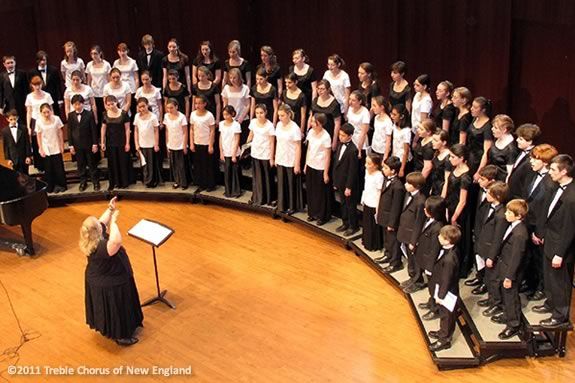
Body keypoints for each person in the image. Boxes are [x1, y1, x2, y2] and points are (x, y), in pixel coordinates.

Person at [81, 197, 144, 346]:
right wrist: (114, 221)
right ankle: (121, 335)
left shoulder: (91, 237)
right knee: (116, 309)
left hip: (104, 277)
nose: (101, 223)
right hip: (110, 282)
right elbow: (116, 241)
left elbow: (101, 222)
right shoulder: (103, 247)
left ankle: (115, 328)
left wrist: (110, 209)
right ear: (97, 231)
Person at [533, 154, 575, 328]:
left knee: (560, 282)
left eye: (552, 169)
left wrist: (560, 253)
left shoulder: (572, 197)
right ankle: (551, 303)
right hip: (550, 239)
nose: (549, 172)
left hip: (560, 246)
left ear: (564, 171)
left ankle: (560, 315)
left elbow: (569, 229)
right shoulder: (556, 187)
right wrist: (540, 233)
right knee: (549, 277)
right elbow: (548, 213)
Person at [490, 199, 529, 340]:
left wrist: (509, 277)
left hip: (511, 271)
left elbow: (516, 257)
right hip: (504, 265)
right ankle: (507, 315)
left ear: (518, 216)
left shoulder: (520, 234)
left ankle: (514, 324)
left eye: (509, 212)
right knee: (506, 295)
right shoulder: (513, 226)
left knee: (511, 296)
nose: (505, 214)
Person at [523, 144, 558, 301]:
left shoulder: (550, 183)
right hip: (529, 222)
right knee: (529, 257)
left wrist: (539, 232)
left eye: (534, 158)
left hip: (539, 227)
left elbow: (546, 211)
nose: (531, 161)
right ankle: (531, 283)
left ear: (545, 161)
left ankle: (541, 288)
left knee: (539, 260)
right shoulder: (533, 174)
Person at [465, 165, 499, 291]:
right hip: (478, 227)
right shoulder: (481, 190)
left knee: (486, 257)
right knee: (478, 254)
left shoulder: (495, 196)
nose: (479, 181)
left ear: (492, 181)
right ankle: (479, 276)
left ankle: (485, 282)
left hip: (487, 233)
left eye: (483, 179)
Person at [428, 224, 461, 352]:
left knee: (447, 315)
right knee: (444, 314)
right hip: (444, 287)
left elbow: (446, 279)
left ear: (448, 241)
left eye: (441, 236)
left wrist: (440, 296)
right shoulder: (450, 250)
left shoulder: (449, 259)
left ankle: (444, 340)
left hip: (447, 292)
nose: (438, 237)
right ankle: (442, 332)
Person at [478, 182, 510, 316]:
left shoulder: (501, 215)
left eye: (489, 193)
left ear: (497, 196)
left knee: (494, 279)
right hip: (485, 247)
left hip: (493, 252)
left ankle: (497, 303)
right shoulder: (489, 207)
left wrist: (491, 256)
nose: (486, 194)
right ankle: (491, 299)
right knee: (488, 277)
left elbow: (498, 238)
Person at [415, 196, 446, 320]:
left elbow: (435, 249)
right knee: (431, 286)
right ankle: (431, 302)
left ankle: (435, 309)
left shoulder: (438, 227)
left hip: (432, 263)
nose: (424, 210)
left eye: (426, 209)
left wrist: (429, 267)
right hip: (425, 258)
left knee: (434, 286)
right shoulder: (430, 221)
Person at [443, 144, 472, 277]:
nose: (450, 159)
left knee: (458, 239)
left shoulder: (465, 177)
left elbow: (463, 201)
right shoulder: (455, 169)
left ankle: (460, 267)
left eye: (453, 157)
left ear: (461, 158)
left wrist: (454, 217)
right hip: (450, 205)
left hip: (459, 212)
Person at [397, 172, 427, 293]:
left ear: (416, 185)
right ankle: (412, 276)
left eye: (409, 183)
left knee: (415, 259)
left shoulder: (420, 201)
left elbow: (419, 223)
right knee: (410, 258)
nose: (406, 185)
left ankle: (418, 281)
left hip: (412, 236)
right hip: (405, 231)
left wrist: (414, 241)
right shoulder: (408, 194)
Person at [375, 156, 405, 273]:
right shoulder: (386, 179)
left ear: (393, 170)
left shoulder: (398, 186)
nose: (383, 169)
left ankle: (395, 262)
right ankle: (388, 255)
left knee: (393, 241)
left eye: (386, 168)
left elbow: (396, 207)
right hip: (384, 215)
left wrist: (392, 223)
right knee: (387, 239)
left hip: (391, 219)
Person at [68, 95, 100, 191]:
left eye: (79, 104)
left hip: (89, 144)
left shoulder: (89, 114)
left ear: (83, 103)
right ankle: (83, 182)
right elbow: (69, 131)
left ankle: (95, 182)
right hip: (77, 145)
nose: (77, 106)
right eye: (75, 104)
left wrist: (95, 144)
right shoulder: (70, 115)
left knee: (92, 164)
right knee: (80, 165)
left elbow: (93, 130)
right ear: (73, 105)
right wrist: (71, 145)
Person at [332, 123, 359, 236]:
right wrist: (335, 181)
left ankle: (353, 226)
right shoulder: (340, 145)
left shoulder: (353, 150)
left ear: (350, 136)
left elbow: (353, 171)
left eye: (343, 135)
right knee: (343, 203)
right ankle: (345, 222)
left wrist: (349, 187)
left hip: (348, 184)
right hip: (340, 181)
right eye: (340, 134)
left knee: (350, 205)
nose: (340, 137)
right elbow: (336, 164)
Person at [305, 113, 332, 225]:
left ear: (319, 123)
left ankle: (322, 216)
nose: (311, 124)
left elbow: (327, 156)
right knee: (311, 190)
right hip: (311, 164)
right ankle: (312, 213)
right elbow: (309, 149)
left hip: (320, 167)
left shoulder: (326, 136)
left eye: (313, 122)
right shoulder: (311, 132)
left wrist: (325, 173)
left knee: (320, 193)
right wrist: (306, 164)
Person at [275, 104, 303, 214]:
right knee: (281, 183)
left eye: (282, 115)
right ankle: (282, 205)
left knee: (291, 184)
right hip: (281, 157)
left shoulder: (295, 128)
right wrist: (276, 157)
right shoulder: (278, 125)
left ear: (289, 114)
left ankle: (292, 207)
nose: (280, 118)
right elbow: (278, 142)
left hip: (291, 159)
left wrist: (297, 164)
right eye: (279, 116)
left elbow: (298, 147)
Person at [101, 95, 131, 190]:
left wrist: (127, 143)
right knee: (112, 163)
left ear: (116, 102)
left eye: (112, 104)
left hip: (121, 142)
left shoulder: (123, 114)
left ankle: (123, 182)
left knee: (122, 162)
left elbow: (127, 129)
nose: (111, 106)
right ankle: (114, 182)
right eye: (108, 105)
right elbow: (103, 129)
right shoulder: (105, 114)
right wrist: (102, 142)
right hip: (110, 143)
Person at [247, 104, 275, 206]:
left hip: (266, 154)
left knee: (266, 177)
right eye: (257, 113)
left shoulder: (270, 125)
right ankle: (256, 197)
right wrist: (245, 148)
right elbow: (251, 135)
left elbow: (272, 142)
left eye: (261, 113)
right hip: (255, 153)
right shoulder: (253, 122)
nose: (259, 115)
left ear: (266, 113)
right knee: (257, 177)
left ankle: (267, 199)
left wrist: (271, 158)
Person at [25, 75, 54, 171]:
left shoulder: (47, 95)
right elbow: (29, 112)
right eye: (35, 85)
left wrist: (52, 121)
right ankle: (40, 165)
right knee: (37, 143)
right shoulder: (29, 97)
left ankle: (49, 163)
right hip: (35, 121)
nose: (37, 87)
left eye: (39, 84)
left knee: (48, 140)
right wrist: (29, 126)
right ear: (31, 85)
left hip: (46, 120)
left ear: (42, 84)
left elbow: (51, 110)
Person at [35, 103, 66, 193]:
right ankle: (51, 186)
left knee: (58, 167)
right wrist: (40, 148)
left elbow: (60, 132)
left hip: (56, 145)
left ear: (51, 111)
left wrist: (61, 145)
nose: (46, 114)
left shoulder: (56, 119)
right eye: (44, 112)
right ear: (41, 113)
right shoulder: (38, 122)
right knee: (48, 168)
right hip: (46, 147)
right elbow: (39, 135)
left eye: (48, 112)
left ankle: (61, 185)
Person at [189, 95, 216, 192]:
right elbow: (191, 129)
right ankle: (201, 184)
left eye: (200, 103)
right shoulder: (193, 114)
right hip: (197, 143)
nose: (197, 105)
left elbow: (212, 131)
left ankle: (210, 184)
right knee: (198, 165)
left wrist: (211, 145)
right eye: (196, 103)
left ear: (204, 104)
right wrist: (191, 143)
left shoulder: (209, 115)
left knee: (207, 165)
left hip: (206, 143)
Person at [134, 97, 162, 188]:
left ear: (147, 105)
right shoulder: (137, 116)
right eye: (140, 107)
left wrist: (156, 144)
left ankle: (152, 181)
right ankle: (146, 180)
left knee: (151, 164)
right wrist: (136, 144)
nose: (142, 109)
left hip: (151, 144)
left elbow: (156, 131)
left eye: (143, 106)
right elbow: (136, 131)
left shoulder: (153, 116)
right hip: (142, 144)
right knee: (144, 163)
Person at [507, 123, 541, 199]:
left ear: (530, 142)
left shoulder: (532, 159)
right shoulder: (521, 151)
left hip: (518, 197)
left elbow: (527, 183)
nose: (517, 140)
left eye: (521, 139)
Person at [309, 79, 341, 150]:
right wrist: (308, 130)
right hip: (315, 132)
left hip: (328, 133)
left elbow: (337, 123)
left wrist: (334, 141)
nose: (320, 91)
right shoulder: (315, 100)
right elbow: (311, 116)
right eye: (318, 89)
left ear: (328, 89)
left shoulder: (335, 104)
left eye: (322, 89)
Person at [361, 153, 384, 251]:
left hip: (374, 203)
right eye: (366, 163)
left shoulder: (379, 176)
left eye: (369, 164)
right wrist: (363, 198)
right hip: (367, 199)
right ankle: (366, 241)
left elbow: (379, 192)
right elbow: (366, 186)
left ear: (376, 165)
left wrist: (378, 208)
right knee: (366, 223)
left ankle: (374, 244)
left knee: (373, 225)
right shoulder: (367, 171)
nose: (366, 165)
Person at [164, 98, 188, 190]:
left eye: (171, 108)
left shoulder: (182, 117)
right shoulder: (166, 116)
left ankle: (184, 182)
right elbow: (167, 131)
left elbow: (185, 132)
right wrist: (167, 143)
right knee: (173, 164)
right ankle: (176, 181)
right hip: (171, 143)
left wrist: (184, 145)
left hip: (180, 144)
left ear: (176, 107)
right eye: (168, 108)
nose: (169, 110)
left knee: (181, 165)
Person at [86, 45, 112, 131]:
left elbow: (109, 80)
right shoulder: (89, 65)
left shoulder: (106, 64)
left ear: (100, 53)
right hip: (94, 93)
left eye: (95, 53)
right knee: (96, 114)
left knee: (105, 114)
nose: (94, 56)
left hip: (104, 93)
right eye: (92, 54)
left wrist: (109, 93)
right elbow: (88, 80)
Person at [30, 51, 63, 117]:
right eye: (40, 60)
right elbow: (31, 87)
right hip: (39, 98)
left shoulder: (54, 70)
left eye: (44, 60)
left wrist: (60, 99)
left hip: (53, 98)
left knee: (55, 116)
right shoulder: (32, 72)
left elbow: (58, 85)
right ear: (37, 61)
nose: (42, 62)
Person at [221, 68, 250, 141]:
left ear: (239, 77)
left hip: (242, 119)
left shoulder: (245, 88)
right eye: (230, 78)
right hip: (230, 119)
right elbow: (225, 104)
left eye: (234, 78)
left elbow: (248, 105)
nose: (232, 80)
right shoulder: (226, 88)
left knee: (242, 141)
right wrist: (226, 116)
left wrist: (241, 118)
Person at [467, 97, 493, 179]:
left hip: (477, 161)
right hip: (469, 156)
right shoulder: (474, 119)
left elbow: (486, 152)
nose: (471, 109)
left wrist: (479, 171)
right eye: (472, 106)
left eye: (475, 107)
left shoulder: (487, 127)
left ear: (483, 110)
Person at [219, 105, 242, 197]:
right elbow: (221, 138)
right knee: (227, 172)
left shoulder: (236, 125)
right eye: (224, 114)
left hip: (233, 152)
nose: (225, 116)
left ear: (232, 114)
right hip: (225, 150)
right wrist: (221, 151)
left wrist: (233, 154)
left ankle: (236, 191)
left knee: (235, 172)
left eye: (227, 114)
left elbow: (237, 139)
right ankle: (228, 190)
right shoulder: (221, 124)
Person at [488, 114, 518, 182]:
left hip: (500, 182)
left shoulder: (511, 149)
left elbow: (509, 173)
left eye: (495, 128)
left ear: (504, 130)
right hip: (491, 177)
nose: (492, 129)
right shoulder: (497, 138)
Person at [2, 109, 31, 174]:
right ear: (7, 119)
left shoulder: (23, 128)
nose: (13, 121)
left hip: (23, 157)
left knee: (26, 175)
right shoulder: (5, 131)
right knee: (15, 175)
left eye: (15, 119)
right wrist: (8, 159)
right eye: (11, 119)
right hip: (13, 158)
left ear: (17, 118)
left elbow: (27, 143)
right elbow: (5, 146)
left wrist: (28, 156)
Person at [113, 43, 139, 117]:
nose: (122, 53)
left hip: (131, 89)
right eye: (120, 51)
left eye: (124, 51)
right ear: (118, 52)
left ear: (127, 51)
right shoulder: (116, 62)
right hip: (120, 88)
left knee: (132, 109)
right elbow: (113, 75)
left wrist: (137, 91)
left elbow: (136, 78)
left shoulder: (132, 62)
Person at [0, 55, 28, 119]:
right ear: (4, 64)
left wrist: (27, 103)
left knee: (22, 122)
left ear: (15, 62)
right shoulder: (1, 76)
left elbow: (26, 89)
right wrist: (0, 107)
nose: (10, 65)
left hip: (21, 103)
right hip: (8, 105)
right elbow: (1, 92)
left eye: (12, 62)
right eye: (8, 63)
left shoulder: (22, 74)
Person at [412, 118, 435, 192]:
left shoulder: (429, 147)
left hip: (423, 176)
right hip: (417, 170)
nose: (418, 130)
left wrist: (418, 183)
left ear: (428, 132)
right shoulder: (423, 139)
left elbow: (427, 167)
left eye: (421, 129)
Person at [346, 90, 370, 158]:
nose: (350, 102)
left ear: (360, 101)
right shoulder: (350, 109)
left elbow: (363, 133)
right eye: (349, 99)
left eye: (353, 100)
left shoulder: (365, 112)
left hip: (360, 142)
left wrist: (359, 149)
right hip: (351, 139)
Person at [390, 104, 411, 178]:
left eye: (394, 115)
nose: (392, 116)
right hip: (395, 157)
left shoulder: (406, 131)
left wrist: (402, 168)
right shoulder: (394, 125)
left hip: (402, 161)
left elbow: (406, 152)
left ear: (401, 116)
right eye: (391, 113)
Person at [430, 129, 451, 196]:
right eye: (432, 139)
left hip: (441, 189)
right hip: (435, 187)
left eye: (435, 140)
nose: (432, 142)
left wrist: (442, 197)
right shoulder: (437, 153)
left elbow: (447, 180)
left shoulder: (448, 157)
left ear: (444, 142)